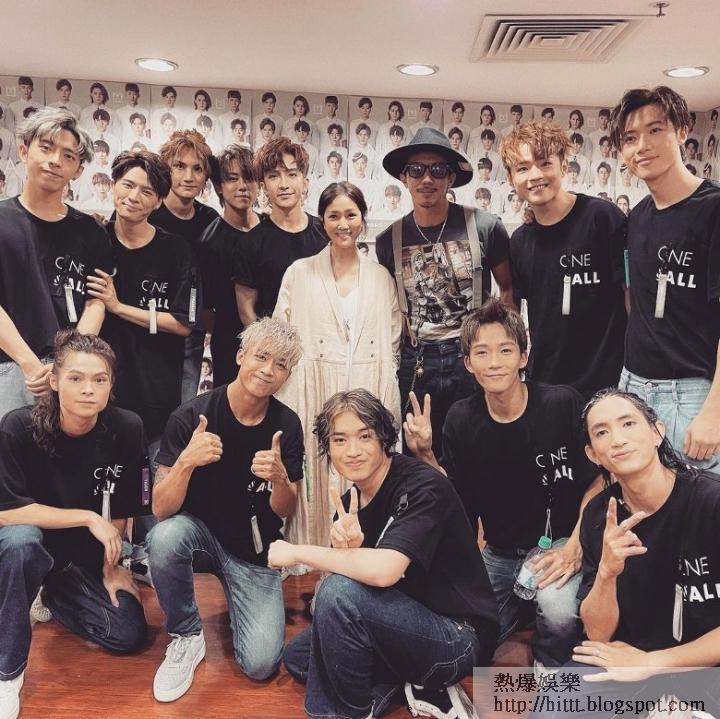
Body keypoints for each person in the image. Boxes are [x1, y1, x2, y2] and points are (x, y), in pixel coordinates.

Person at [275, 389, 500, 719]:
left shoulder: (422, 486)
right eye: (339, 440)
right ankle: (409, 683)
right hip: (402, 622)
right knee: (299, 655)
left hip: (456, 637)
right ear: (328, 449)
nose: (352, 451)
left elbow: (383, 573)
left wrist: (298, 552)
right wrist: (349, 551)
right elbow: (348, 593)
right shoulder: (349, 505)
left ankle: (350, 713)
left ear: (383, 437)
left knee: (338, 596)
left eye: (364, 436)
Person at [405, 300, 602, 668]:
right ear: (468, 363)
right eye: (482, 352)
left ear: (523, 357)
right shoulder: (461, 419)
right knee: (467, 635)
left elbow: (598, 481)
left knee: (558, 612)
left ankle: (549, 664)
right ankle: (523, 610)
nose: (494, 362)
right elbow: (455, 500)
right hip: (499, 553)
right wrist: (426, 455)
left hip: (559, 542)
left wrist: (577, 544)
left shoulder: (561, 403)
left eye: (505, 350)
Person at [531, 389, 720, 719]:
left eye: (628, 423)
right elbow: (598, 634)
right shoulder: (598, 515)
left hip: (704, 664)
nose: (618, 439)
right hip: (630, 659)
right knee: (552, 708)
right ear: (593, 454)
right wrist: (607, 572)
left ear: (657, 432)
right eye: (602, 432)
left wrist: (651, 663)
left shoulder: (710, 501)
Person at [147, 317, 304, 702]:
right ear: (239, 356)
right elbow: (161, 508)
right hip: (198, 537)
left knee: (261, 664)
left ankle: (241, 601)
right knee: (164, 538)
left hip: (252, 550)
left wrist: (280, 478)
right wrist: (186, 462)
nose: (268, 370)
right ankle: (186, 634)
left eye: (280, 364)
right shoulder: (191, 416)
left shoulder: (287, 424)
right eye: (261, 356)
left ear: (287, 375)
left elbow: (286, 510)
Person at [0, 330, 151, 719]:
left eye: (99, 379)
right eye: (76, 378)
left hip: (79, 560)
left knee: (128, 633)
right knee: (20, 542)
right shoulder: (18, 427)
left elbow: (124, 505)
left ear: (111, 385)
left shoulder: (127, 427)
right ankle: (8, 672)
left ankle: (51, 593)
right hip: (29, 546)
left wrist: (112, 566)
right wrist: (86, 517)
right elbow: (7, 513)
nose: (88, 389)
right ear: (54, 381)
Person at [273, 181, 401, 551]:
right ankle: (313, 556)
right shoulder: (299, 272)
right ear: (322, 220)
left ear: (362, 218)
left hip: (367, 382)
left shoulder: (380, 277)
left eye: (351, 215)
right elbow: (282, 333)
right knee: (314, 469)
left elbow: (392, 337)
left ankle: (364, 556)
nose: (343, 224)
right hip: (311, 386)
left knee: (365, 464)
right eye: (334, 216)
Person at [375, 127, 513, 456]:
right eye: (416, 170)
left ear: (450, 177)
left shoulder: (485, 226)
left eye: (437, 169)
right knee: (416, 450)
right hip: (417, 359)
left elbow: (508, 288)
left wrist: (506, 348)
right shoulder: (388, 240)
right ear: (404, 178)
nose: (427, 179)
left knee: (478, 447)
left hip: (471, 354)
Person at [609, 86, 720, 468]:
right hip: (633, 386)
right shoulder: (638, 216)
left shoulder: (713, 209)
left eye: (655, 130)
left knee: (701, 503)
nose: (642, 146)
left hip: (692, 395)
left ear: (682, 131)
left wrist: (714, 411)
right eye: (630, 138)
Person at [0, 107, 112, 418]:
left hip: (71, 372)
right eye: (46, 148)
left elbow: (96, 301)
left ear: (78, 170)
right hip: (8, 366)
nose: (55, 160)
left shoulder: (91, 232)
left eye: (68, 155)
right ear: (24, 151)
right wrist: (29, 363)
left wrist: (69, 362)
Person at [502, 121, 627, 399]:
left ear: (564, 166)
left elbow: (632, 297)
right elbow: (516, 312)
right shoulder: (520, 241)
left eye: (545, 163)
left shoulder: (601, 218)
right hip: (546, 386)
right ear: (511, 178)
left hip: (608, 386)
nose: (535, 175)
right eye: (523, 168)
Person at [87, 150, 194, 462]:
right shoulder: (94, 240)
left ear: (158, 201)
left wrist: (118, 307)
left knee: (152, 484)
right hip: (100, 391)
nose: (134, 197)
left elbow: (183, 323)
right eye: (127, 185)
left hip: (155, 392)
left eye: (147, 191)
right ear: (113, 185)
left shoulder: (176, 250)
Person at [151, 130, 218, 404]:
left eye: (197, 169)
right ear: (166, 169)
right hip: (146, 327)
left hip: (191, 332)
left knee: (183, 409)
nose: (188, 176)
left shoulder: (210, 220)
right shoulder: (148, 212)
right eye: (179, 166)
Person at [232, 137, 327, 326]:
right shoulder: (251, 243)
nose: (283, 184)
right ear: (263, 187)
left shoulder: (325, 233)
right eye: (274, 176)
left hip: (322, 338)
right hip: (273, 340)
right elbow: (246, 311)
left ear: (305, 182)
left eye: (291, 174)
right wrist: (266, 343)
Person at [199, 144, 260, 387]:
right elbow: (207, 310)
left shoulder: (270, 229)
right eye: (232, 179)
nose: (243, 186)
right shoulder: (209, 242)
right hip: (230, 343)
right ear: (218, 186)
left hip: (277, 338)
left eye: (249, 177)